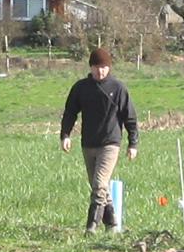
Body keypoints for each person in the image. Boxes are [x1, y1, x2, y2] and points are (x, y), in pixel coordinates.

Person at [58, 46, 139, 233]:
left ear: (109, 68)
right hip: (88, 143)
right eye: (96, 67)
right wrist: (65, 135)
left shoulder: (118, 89)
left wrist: (133, 143)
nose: (100, 71)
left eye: (103, 67)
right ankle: (111, 224)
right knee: (99, 187)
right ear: (90, 67)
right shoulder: (81, 88)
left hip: (111, 143)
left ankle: (91, 225)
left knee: (99, 184)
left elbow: (130, 117)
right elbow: (70, 113)